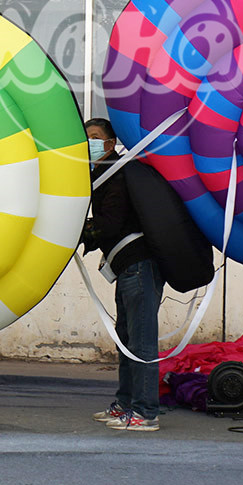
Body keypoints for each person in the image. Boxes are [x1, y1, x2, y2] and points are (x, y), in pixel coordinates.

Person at [82, 117, 163, 431]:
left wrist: (81, 231)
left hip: (140, 266)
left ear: (111, 142)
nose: (90, 142)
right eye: (86, 137)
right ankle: (125, 404)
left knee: (141, 342)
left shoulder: (116, 174)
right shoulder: (102, 173)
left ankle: (146, 412)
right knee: (126, 340)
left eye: (96, 136)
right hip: (126, 267)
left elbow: (111, 224)